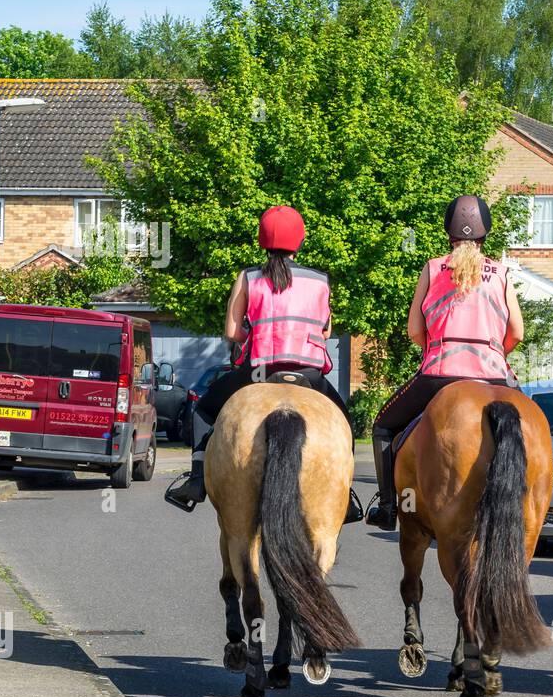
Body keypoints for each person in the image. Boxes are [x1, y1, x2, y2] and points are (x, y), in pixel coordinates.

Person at [166, 205, 347, 512]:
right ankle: (346, 494)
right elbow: (326, 331)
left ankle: (196, 481)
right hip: (309, 373)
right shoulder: (320, 280)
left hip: (259, 372)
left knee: (201, 411)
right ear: (299, 241)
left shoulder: (248, 278)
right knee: (344, 421)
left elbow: (233, 331)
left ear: (262, 240)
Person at [364, 195, 525, 530]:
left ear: (448, 232)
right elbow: (518, 333)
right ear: (486, 233)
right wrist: (497, 354)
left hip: (439, 373)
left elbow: (413, 330)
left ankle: (390, 507)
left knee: (383, 425)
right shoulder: (503, 274)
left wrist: (434, 350)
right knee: (531, 429)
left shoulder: (433, 268)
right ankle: (529, 501)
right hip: (493, 376)